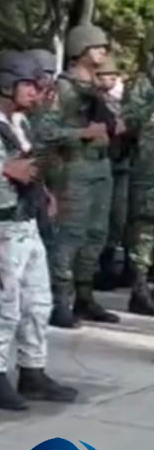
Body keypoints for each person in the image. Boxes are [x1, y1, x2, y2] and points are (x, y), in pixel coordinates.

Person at [0, 51, 80, 410]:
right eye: (29, 84)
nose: (36, 91)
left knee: (37, 302)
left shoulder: (19, 123)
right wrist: (3, 170)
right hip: (0, 226)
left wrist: (41, 190)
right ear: (7, 84)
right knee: (3, 306)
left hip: (26, 221)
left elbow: (27, 163)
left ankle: (33, 370)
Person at [36, 24, 121, 326]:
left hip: (100, 166)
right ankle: (59, 301)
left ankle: (84, 296)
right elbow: (44, 130)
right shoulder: (62, 88)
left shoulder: (95, 88)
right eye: (96, 47)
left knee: (96, 234)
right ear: (80, 50)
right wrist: (82, 133)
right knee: (69, 235)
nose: (102, 52)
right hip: (73, 167)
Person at [94, 55, 132, 291]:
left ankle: (124, 268)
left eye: (108, 76)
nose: (104, 80)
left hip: (125, 164)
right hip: (105, 162)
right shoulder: (95, 97)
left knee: (121, 218)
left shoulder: (127, 97)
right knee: (104, 218)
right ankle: (105, 267)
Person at [123, 40, 154, 315]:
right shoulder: (143, 85)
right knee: (145, 228)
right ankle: (140, 287)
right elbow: (129, 120)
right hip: (148, 168)